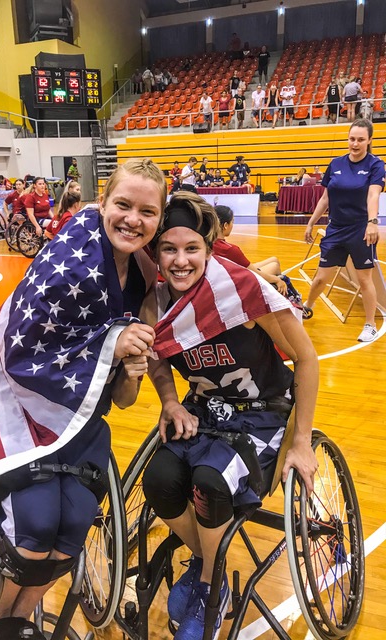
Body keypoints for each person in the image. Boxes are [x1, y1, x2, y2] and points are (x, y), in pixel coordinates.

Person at [0, 159, 167, 638]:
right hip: (18, 401)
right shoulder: (71, 256)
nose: (133, 219)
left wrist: (131, 368)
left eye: (147, 212)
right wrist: (112, 338)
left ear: (159, 217)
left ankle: (18, 622)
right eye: (123, 205)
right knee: (38, 526)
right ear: (102, 202)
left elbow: (125, 400)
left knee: (73, 532)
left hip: (79, 419)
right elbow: (24, 344)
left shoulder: (144, 280)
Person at [141, 191, 319, 640]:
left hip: (262, 416)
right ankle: (205, 556)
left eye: (191, 249)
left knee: (210, 481)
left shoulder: (243, 290)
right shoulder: (156, 302)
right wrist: (169, 401)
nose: (180, 261)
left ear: (207, 247)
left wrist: (300, 441)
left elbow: (307, 358)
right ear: (156, 253)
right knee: (158, 479)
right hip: (204, 413)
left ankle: (210, 585)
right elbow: (157, 360)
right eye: (169, 249)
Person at [304, 119, 385, 342]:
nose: (355, 144)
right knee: (321, 278)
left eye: (360, 139)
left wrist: (372, 222)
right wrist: (311, 222)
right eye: (352, 139)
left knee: (364, 280)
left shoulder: (376, 165)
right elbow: (325, 198)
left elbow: (373, 195)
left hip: (361, 230)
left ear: (369, 141)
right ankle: (306, 307)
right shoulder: (336, 163)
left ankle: (370, 325)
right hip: (335, 229)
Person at [214, 205, 288, 295]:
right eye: (232, 222)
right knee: (274, 266)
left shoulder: (205, 242)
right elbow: (255, 273)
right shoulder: (230, 249)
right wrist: (277, 279)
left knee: (274, 259)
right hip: (237, 282)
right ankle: (277, 296)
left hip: (226, 277)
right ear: (225, 225)